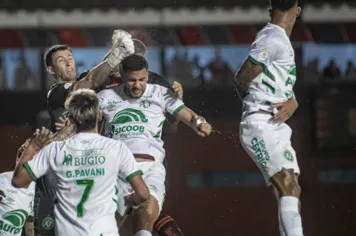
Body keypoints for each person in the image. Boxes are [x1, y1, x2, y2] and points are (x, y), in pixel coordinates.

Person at [32, 30, 135, 236]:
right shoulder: (57, 92)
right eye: (61, 61)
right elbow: (88, 83)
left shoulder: (84, 81)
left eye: (70, 58)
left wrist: (116, 53)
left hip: (92, 162)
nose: (69, 63)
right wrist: (117, 53)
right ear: (50, 69)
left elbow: (98, 77)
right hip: (66, 167)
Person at [97, 54, 213, 235]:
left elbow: (188, 116)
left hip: (150, 167)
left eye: (142, 79)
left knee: (148, 209)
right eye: (132, 80)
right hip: (116, 168)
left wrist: (199, 123)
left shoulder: (160, 92)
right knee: (110, 223)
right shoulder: (105, 96)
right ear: (122, 75)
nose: (137, 85)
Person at [12, 89, 150, 236]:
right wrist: (128, 200)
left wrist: (32, 147)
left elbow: (18, 181)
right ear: (98, 115)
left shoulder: (54, 150)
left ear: (71, 118)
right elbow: (143, 194)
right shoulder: (117, 148)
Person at [233, 0, 303, 236]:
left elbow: (272, 80)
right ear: (298, 11)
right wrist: (256, 106)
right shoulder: (272, 38)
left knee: (290, 188)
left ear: (270, 9)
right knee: (286, 185)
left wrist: (292, 100)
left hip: (275, 124)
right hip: (261, 122)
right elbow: (242, 77)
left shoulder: (278, 40)